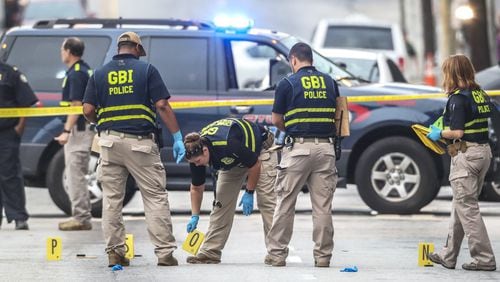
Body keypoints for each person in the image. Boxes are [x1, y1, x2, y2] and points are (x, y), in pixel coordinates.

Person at [82, 31, 185, 267]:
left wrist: (104, 123)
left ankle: (115, 253)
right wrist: (177, 136)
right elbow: (161, 104)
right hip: (140, 144)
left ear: (119, 49)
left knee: (111, 200)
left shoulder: (99, 74)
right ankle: (164, 253)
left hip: (108, 144)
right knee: (155, 197)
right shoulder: (147, 70)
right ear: (137, 49)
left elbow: (87, 110)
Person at [265, 42, 339, 267]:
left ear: (293, 60)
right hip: (326, 149)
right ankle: (323, 257)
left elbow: (277, 120)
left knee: (285, 203)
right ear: (312, 60)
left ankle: (277, 255)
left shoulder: (287, 83)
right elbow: (338, 115)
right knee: (323, 206)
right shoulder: (330, 82)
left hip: (298, 149)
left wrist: (296, 129)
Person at [427, 54, 496, 271]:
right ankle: (448, 255)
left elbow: (457, 131)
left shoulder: (458, 98)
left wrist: (439, 133)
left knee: (467, 208)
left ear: (452, 73)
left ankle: (484, 259)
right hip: (483, 152)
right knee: (461, 205)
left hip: (466, 155)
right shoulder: (479, 94)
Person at [183, 117, 277, 264]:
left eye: (198, 161)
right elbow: (196, 187)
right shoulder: (196, 153)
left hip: (261, 151)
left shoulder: (227, 144)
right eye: (193, 163)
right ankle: (210, 252)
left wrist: (249, 192)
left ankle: (276, 252)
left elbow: (254, 165)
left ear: (205, 151)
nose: (197, 165)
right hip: (234, 160)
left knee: (266, 202)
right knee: (221, 204)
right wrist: (195, 215)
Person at [54, 37, 94, 231]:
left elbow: (76, 106)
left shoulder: (77, 74)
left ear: (69, 51)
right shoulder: (80, 70)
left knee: (75, 174)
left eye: (62, 49)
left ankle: (81, 217)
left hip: (78, 131)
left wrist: (66, 131)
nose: (61, 53)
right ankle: (81, 215)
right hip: (81, 130)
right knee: (76, 173)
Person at [0, 62, 38, 230]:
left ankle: (18, 217)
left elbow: (25, 101)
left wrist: (19, 128)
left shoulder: (10, 73)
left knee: (10, 175)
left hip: (7, 132)